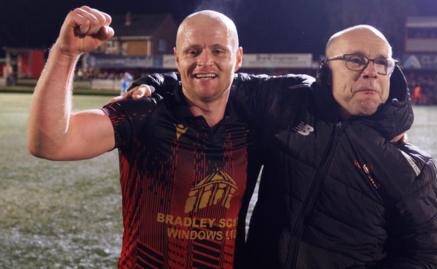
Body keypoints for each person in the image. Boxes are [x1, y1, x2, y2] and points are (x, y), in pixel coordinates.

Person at [128, 25, 437, 268]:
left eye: (381, 63)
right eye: (356, 60)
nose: (371, 71)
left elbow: (422, 256)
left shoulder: (412, 166)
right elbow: (216, 80)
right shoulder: (288, 100)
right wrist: (153, 83)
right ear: (326, 68)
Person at [27, 6, 262, 268]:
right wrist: (65, 53)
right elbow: (50, 143)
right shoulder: (145, 112)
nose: (205, 61)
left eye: (218, 51)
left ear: (238, 58)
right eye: (193, 51)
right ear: (177, 58)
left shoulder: (256, 122)